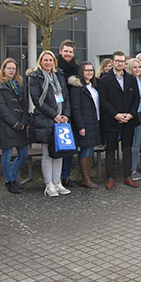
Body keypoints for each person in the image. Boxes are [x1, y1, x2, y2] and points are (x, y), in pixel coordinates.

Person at [29, 50, 72, 197]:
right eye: (45, 60)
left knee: (59, 152)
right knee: (47, 153)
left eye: (50, 60)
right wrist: (54, 115)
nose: (48, 63)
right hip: (45, 119)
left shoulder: (58, 75)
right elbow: (37, 100)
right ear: (40, 61)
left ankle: (57, 182)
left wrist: (65, 115)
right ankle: (49, 184)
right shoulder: (35, 77)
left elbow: (65, 96)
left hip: (61, 119)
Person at [97, 51, 140, 189]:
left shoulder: (131, 79)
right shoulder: (104, 80)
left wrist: (131, 114)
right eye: (117, 61)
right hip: (111, 120)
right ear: (113, 62)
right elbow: (103, 101)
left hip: (129, 120)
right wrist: (116, 115)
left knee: (127, 149)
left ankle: (127, 176)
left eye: (122, 61)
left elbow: (136, 98)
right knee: (110, 150)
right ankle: (110, 178)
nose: (120, 63)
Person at [0, 58, 29, 193]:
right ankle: (9, 181)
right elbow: (1, 108)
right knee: (7, 155)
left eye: (13, 69)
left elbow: (24, 105)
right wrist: (15, 123)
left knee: (23, 154)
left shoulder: (18, 85)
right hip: (7, 125)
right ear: (3, 69)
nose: (11, 71)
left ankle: (12, 176)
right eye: (9, 68)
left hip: (20, 124)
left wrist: (23, 121)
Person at [68, 62, 100, 189]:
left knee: (91, 148)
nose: (89, 72)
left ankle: (87, 175)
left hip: (95, 121)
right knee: (86, 149)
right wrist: (81, 126)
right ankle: (85, 178)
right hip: (85, 123)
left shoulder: (94, 86)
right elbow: (75, 108)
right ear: (81, 72)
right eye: (87, 70)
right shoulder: (77, 88)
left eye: (91, 70)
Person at [57, 40, 79, 189]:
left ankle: (66, 175)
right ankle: (56, 177)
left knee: (70, 146)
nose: (68, 54)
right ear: (60, 52)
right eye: (66, 51)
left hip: (72, 111)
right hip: (58, 112)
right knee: (58, 147)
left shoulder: (76, 69)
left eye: (70, 52)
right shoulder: (54, 67)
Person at [128, 58, 141, 181]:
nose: (137, 69)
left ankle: (134, 168)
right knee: (131, 143)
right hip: (132, 114)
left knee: (137, 143)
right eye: (134, 67)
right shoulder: (129, 81)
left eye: (139, 67)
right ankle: (130, 169)